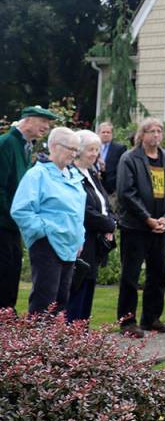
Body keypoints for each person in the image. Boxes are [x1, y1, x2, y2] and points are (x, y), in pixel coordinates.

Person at [116, 118, 165, 337]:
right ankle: (127, 322)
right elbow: (126, 193)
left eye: (159, 131)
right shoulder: (130, 159)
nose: (156, 135)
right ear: (141, 135)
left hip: (161, 226)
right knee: (131, 275)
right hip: (135, 227)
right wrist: (147, 219)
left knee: (158, 274)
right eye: (151, 131)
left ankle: (151, 318)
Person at [10, 127, 86, 315]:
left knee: (61, 300)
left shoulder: (74, 176)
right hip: (47, 245)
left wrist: (79, 239)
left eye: (77, 150)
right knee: (44, 301)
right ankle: (36, 343)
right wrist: (44, 231)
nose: (74, 154)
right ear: (54, 146)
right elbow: (21, 210)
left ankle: (54, 344)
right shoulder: (37, 174)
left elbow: (77, 212)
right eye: (71, 148)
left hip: (69, 246)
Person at [0, 105, 56, 310]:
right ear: (28, 120)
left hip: (14, 223)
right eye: (43, 121)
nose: (47, 127)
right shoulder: (6, 143)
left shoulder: (26, 146)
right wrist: (13, 216)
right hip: (5, 222)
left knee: (12, 269)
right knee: (5, 269)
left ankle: (7, 317)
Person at [65, 129, 117, 323]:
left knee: (89, 285)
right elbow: (84, 210)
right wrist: (109, 224)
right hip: (82, 239)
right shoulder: (73, 174)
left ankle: (82, 334)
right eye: (90, 150)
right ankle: (71, 333)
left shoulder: (92, 173)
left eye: (97, 150)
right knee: (78, 285)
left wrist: (111, 222)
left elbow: (105, 202)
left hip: (96, 240)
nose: (95, 154)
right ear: (78, 150)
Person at [96, 121, 127, 198]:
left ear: (112, 134)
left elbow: (122, 169)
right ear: (98, 133)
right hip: (94, 183)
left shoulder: (119, 148)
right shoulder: (94, 147)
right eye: (103, 132)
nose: (106, 134)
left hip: (110, 188)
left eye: (108, 132)